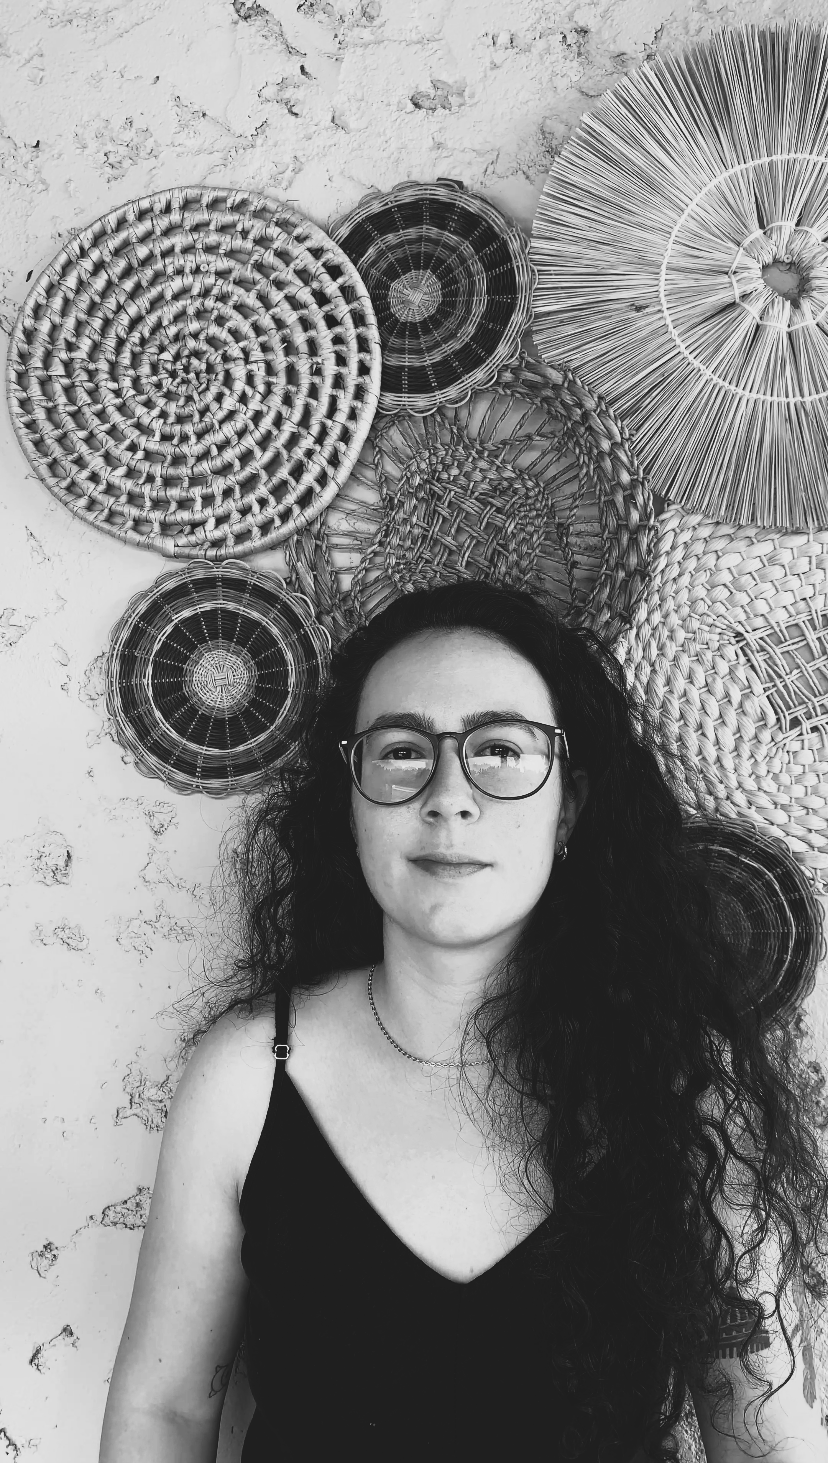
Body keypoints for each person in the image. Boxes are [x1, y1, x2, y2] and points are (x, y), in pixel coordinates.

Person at [99, 580, 828, 1463]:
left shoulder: (685, 1087)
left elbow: (764, 1437)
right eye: (403, 750)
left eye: (501, 749)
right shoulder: (248, 1077)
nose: (449, 795)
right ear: (351, 801)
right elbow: (166, 1411)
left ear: (569, 806)